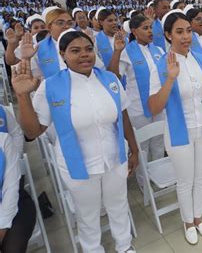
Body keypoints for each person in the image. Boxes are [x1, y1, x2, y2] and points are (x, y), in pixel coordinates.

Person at [13, 30, 139, 253]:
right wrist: (23, 97)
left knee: (118, 205)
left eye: (88, 49)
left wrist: (134, 149)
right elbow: (33, 131)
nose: (84, 55)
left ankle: (124, 246)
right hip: (77, 165)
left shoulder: (109, 79)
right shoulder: (51, 86)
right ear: (62, 54)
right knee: (87, 214)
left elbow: (123, 116)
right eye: (75, 51)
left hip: (114, 158)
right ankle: (93, 249)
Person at [147, 10, 202, 245]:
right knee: (185, 180)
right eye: (179, 32)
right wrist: (170, 79)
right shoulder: (161, 65)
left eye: (188, 30)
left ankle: (198, 218)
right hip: (180, 131)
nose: (186, 36)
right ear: (168, 35)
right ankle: (187, 221)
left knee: (201, 177)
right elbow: (153, 107)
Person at [107, 14, 166, 165]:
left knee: (159, 141)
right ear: (134, 31)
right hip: (138, 107)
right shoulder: (127, 52)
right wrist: (117, 51)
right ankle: (143, 181)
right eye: (145, 28)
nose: (150, 31)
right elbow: (114, 77)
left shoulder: (159, 50)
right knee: (142, 145)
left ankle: (158, 173)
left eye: (151, 28)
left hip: (159, 105)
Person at [0, 131, 36, 253]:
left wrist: (2, 228)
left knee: (13, 248)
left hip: (14, 206)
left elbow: (11, 188)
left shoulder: (3, 141)